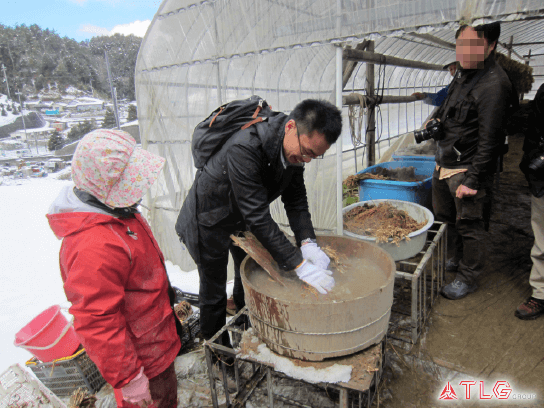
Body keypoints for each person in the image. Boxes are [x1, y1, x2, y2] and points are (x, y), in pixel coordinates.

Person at [176, 99, 342, 345]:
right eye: (307, 151)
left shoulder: (293, 151)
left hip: (239, 216)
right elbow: (257, 216)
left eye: (315, 157)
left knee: (248, 272)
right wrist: (300, 265)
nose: (306, 160)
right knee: (213, 291)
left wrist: (308, 243)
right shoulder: (245, 147)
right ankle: (220, 355)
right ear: (291, 127)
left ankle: (248, 325)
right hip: (207, 220)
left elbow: (296, 201)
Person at [47, 129, 180, 408]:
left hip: (156, 341)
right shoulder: (93, 245)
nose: (138, 190)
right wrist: (130, 378)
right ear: (105, 186)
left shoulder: (117, 210)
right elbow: (97, 320)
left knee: (168, 397)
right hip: (140, 361)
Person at [431, 22, 514, 300]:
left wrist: (473, 179)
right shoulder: (462, 74)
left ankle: (468, 276)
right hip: (445, 162)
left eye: (472, 45)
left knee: (470, 223)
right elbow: (449, 111)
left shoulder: (495, 84)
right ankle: (454, 258)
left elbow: (491, 139)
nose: (464, 51)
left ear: (490, 46)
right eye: (460, 44)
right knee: (446, 218)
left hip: (466, 167)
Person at [506, 84, 544, 319]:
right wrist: (531, 164)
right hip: (542, 178)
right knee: (541, 235)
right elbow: (534, 128)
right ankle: (541, 293)